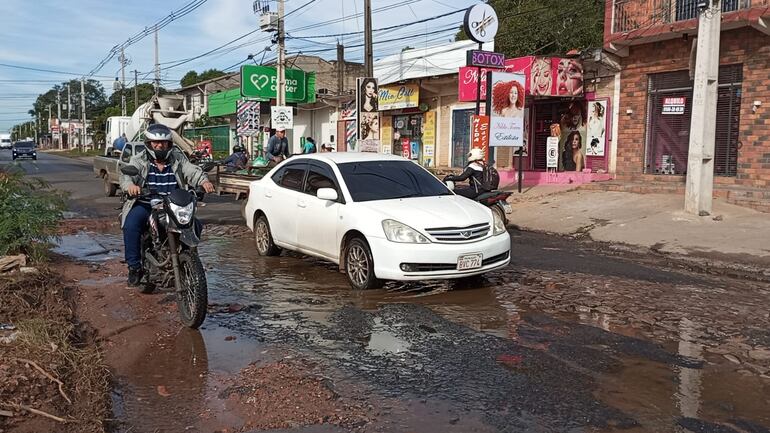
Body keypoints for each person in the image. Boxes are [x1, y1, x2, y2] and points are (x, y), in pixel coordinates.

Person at [119, 124, 215, 286]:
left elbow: (191, 170)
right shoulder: (139, 160)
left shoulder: (177, 158)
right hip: (146, 203)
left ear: (169, 144)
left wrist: (203, 181)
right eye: (156, 143)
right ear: (148, 143)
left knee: (195, 224)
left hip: (174, 204)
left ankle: (188, 257)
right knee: (131, 225)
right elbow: (126, 176)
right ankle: (134, 267)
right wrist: (131, 187)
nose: (160, 146)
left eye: (163, 142)